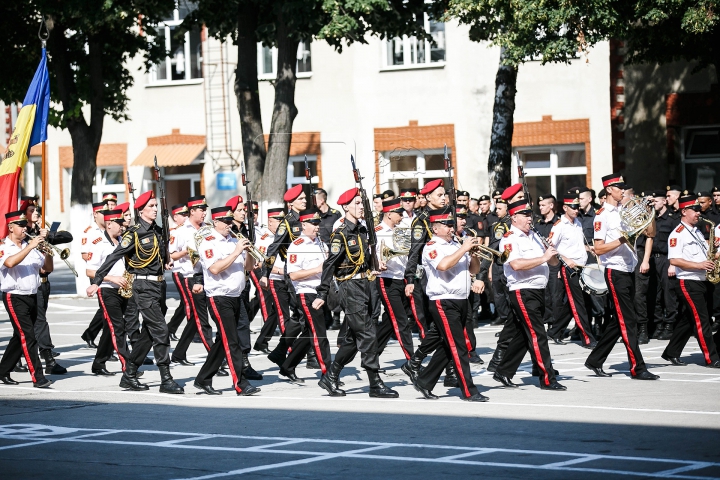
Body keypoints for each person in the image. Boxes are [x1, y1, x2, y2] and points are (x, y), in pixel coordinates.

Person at [87, 191, 184, 394]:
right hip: (142, 287)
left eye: (156, 206)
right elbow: (114, 257)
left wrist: (166, 259)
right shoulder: (134, 233)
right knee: (161, 330)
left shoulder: (158, 230)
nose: (155, 209)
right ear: (140, 210)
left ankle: (129, 375)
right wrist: (97, 280)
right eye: (151, 206)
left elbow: (160, 254)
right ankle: (166, 379)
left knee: (149, 333)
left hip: (159, 286)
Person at [313, 187, 398, 398]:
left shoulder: (362, 230)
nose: (362, 207)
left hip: (366, 285)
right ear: (346, 207)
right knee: (368, 334)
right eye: (357, 204)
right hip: (350, 288)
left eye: (362, 203)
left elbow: (364, 260)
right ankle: (375, 383)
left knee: (352, 339)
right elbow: (329, 265)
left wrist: (376, 266)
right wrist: (322, 294)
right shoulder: (340, 235)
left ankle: (330, 377)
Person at [585, 174, 659, 380]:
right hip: (615, 271)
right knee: (629, 321)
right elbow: (598, 249)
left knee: (619, 321)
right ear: (609, 190)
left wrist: (648, 212)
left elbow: (650, 233)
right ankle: (637, 367)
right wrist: (623, 239)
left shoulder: (623, 211)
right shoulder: (602, 216)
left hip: (628, 269)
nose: (623, 191)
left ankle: (595, 360)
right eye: (619, 188)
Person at [411, 207, 487, 402]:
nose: (451, 228)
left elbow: (474, 268)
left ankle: (424, 381)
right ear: (435, 228)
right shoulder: (431, 246)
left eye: (452, 224)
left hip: (461, 299)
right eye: (447, 225)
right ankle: (469, 390)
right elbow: (443, 266)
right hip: (443, 301)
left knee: (447, 346)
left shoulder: (456, 244)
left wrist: (475, 254)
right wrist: (464, 249)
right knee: (458, 347)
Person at [492, 200, 566, 391]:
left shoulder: (534, 235)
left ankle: (504, 371)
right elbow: (516, 265)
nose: (529, 219)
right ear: (514, 217)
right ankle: (547, 378)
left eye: (530, 215)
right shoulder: (509, 239)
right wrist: (543, 257)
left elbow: (553, 263)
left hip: (539, 290)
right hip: (522, 290)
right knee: (537, 334)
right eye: (525, 215)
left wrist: (552, 252)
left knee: (523, 335)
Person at [193, 207, 260, 396]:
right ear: (215, 222)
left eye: (231, 221)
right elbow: (215, 269)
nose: (229, 225)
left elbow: (248, 268)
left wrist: (248, 253)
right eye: (225, 221)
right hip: (219, 297)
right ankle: (240, 383)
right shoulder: (208, 242)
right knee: (233, 341)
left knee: (223, 341)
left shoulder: (234, 241)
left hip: (236, 295)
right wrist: (236, 252)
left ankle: (203, 379)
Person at [661, 194, 720, 368]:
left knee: (689, 319)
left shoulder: (697, 231)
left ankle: (671, 352)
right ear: (684, 211)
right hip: (688, 281)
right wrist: (700, 264)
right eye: (694, 210)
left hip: (702, 280)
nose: (698, 213)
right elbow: (674, 260)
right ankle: (712, 357)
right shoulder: (677, 234)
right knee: (702, 321)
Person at [0, 211, 53, 388]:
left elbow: (46, 269)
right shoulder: (4, 246)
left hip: (32, 295)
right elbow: (9, 263)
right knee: (28, 337)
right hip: (14, 296)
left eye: (25, 225)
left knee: (19, 336)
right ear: (10, 227)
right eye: (20, 226)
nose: (24, 228)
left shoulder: (29, 245)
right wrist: (30, 246)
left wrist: (48, 251)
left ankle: (2, 370)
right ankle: (38, 377)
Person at [279, 208, 332, 384]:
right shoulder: (297, 246)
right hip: (307, 292)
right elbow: (293, 275)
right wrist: (317, 269)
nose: (317, 227)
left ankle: (288, 365)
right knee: (319, 334)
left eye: (318, 223)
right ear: (304, 225)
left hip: (321, 292)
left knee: (310, 333)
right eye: (314, 224)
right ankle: (328, 372)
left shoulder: (321, 243)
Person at [22, 198, 69, 374]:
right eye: (32, 210)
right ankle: (49, 360)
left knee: (33, 322)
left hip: (44, 283)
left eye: (37, 210)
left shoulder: (41, 231)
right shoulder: (22, 234)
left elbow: (67, 236)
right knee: (40, 322)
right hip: (31, 284)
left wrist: (48, 235)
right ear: (23, 213)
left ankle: (15, 359)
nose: (36, 213)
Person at [263, 185, 308, 369]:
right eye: (301, 199)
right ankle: (301, 357)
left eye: (305, 198)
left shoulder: (308, 219)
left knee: (299, 318)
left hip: (312, 272)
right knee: (307, 317)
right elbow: (273, 248)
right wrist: (265, 273)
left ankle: (280, 351)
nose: (305, 201)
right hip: (296, 275)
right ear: (291, 203)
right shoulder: (287, 223)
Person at [545, 194, 597, 348]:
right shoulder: (559, 225)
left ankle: (554, 331)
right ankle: (587, 338)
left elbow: (577, 245)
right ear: (565, 208)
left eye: (577, 206)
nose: (576, 210)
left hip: (581, 267)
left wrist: (589, 248)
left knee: (573, 303)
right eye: (573, 207)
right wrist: (565, 261)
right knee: (578, 303)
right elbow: (550, 247)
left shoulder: (578, 222)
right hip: (569, 268)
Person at [86, 209, 132, 376]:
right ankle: (128, 365)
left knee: (109, 328)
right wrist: (111, 278)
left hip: (123, 289)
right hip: (107, 290)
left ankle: (98, 364)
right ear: (109, 223)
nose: (122, 226)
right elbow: (90, 272)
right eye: (119, 223)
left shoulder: (123, 240)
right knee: (118, 326)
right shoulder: (99, 243)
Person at [169, 196, 215, 366]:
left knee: (196, 317)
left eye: (205, 209)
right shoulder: (181, 231)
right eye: (201, 210)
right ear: (192, 211)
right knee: (201, 318)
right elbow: (172, 255)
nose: (204, 213)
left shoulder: (208, 229)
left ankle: (179, 353)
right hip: (190, 276)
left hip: (208, 275)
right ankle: (214, 357)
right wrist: (187, 252)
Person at [375, 198, 415, 361]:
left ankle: (372, 353)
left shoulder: (402, 229)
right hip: (387, 278)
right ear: (389, 214)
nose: (402, 217)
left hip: (402, 277)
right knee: (401, 321)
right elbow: (371, 256)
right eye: (399, 214)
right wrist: (378, 263)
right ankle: (412, 360)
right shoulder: (377, 231)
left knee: (390, 321)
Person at [250, 208, 285, 353]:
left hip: (281, 276)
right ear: (270, 221)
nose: (281, 223)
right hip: (266, 274)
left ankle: (262, 341)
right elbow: (260, 261)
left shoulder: (283, 236)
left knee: (276, 310)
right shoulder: (265, 238)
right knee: (267, 303)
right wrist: (279, 271)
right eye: (278, 220)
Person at [647, 191, 680, 340]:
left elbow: (677, 243)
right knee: (655, 294)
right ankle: (658, 324)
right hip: (654, 258)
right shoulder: (651, 218)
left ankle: (670, 325)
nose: (653, 204)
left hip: (667, 259)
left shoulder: (672, 220)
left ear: (664, 202)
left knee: (669, 294)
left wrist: (673, 263)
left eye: (655, 201)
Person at [80, 202, 109, 349]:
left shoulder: (112, 228)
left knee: (106, 308)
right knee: (106, 308)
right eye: (102, 213)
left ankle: (90, 334)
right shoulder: (90, 231)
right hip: (97, 272)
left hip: (113, 273)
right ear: (95, 214)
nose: (106, 216)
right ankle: (106, 345)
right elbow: (85, 255)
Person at [167, 203, 191, 341]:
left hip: (190, 271)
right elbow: (172, 253)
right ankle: (191, 331)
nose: (186, 217)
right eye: (183, 215)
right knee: (187, 303)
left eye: (187, 214)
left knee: (186, 303)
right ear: (175, 217)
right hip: (179, 270)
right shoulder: (175, 231)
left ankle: (171, 328)